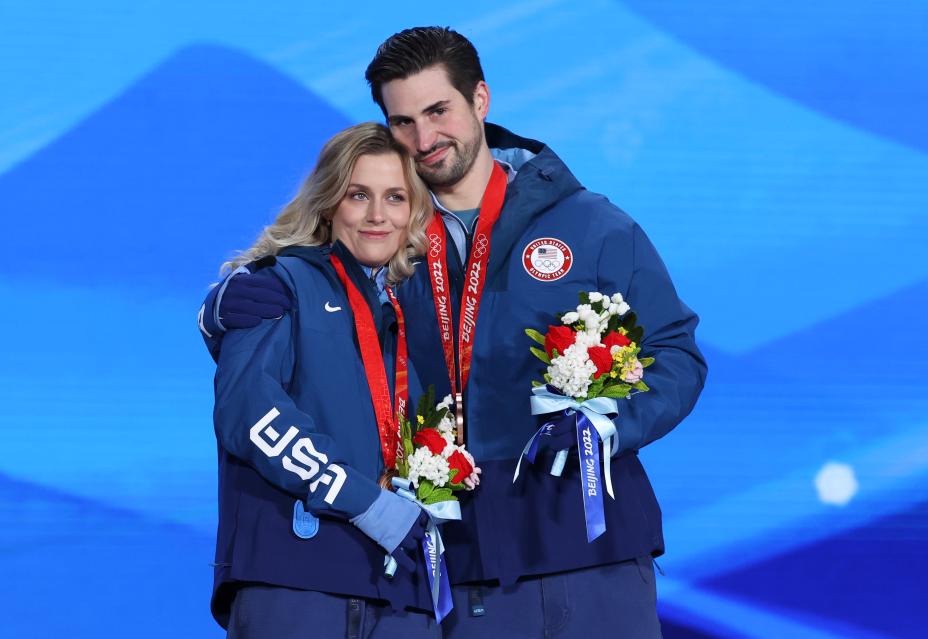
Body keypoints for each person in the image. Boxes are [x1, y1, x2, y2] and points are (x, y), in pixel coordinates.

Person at [202, 28, 707, 638]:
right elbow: (302, 293)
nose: (424, 139)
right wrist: (218, 307)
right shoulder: (388, 243)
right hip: (459, 566)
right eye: (403, 122)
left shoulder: (590, 225)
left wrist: (612, 424)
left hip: (593, 546)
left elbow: (674, 351)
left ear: (481, 100)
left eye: (438, 111)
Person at [208, 122, 444, 638]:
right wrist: (364, 501)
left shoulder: (424, 312)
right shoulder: (277, 283)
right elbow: (248, 414)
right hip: (296, 578)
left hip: (406, 592)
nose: (378, 215)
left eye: (395, 197)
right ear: (329, 203)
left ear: (415, 212)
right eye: (359, 195)